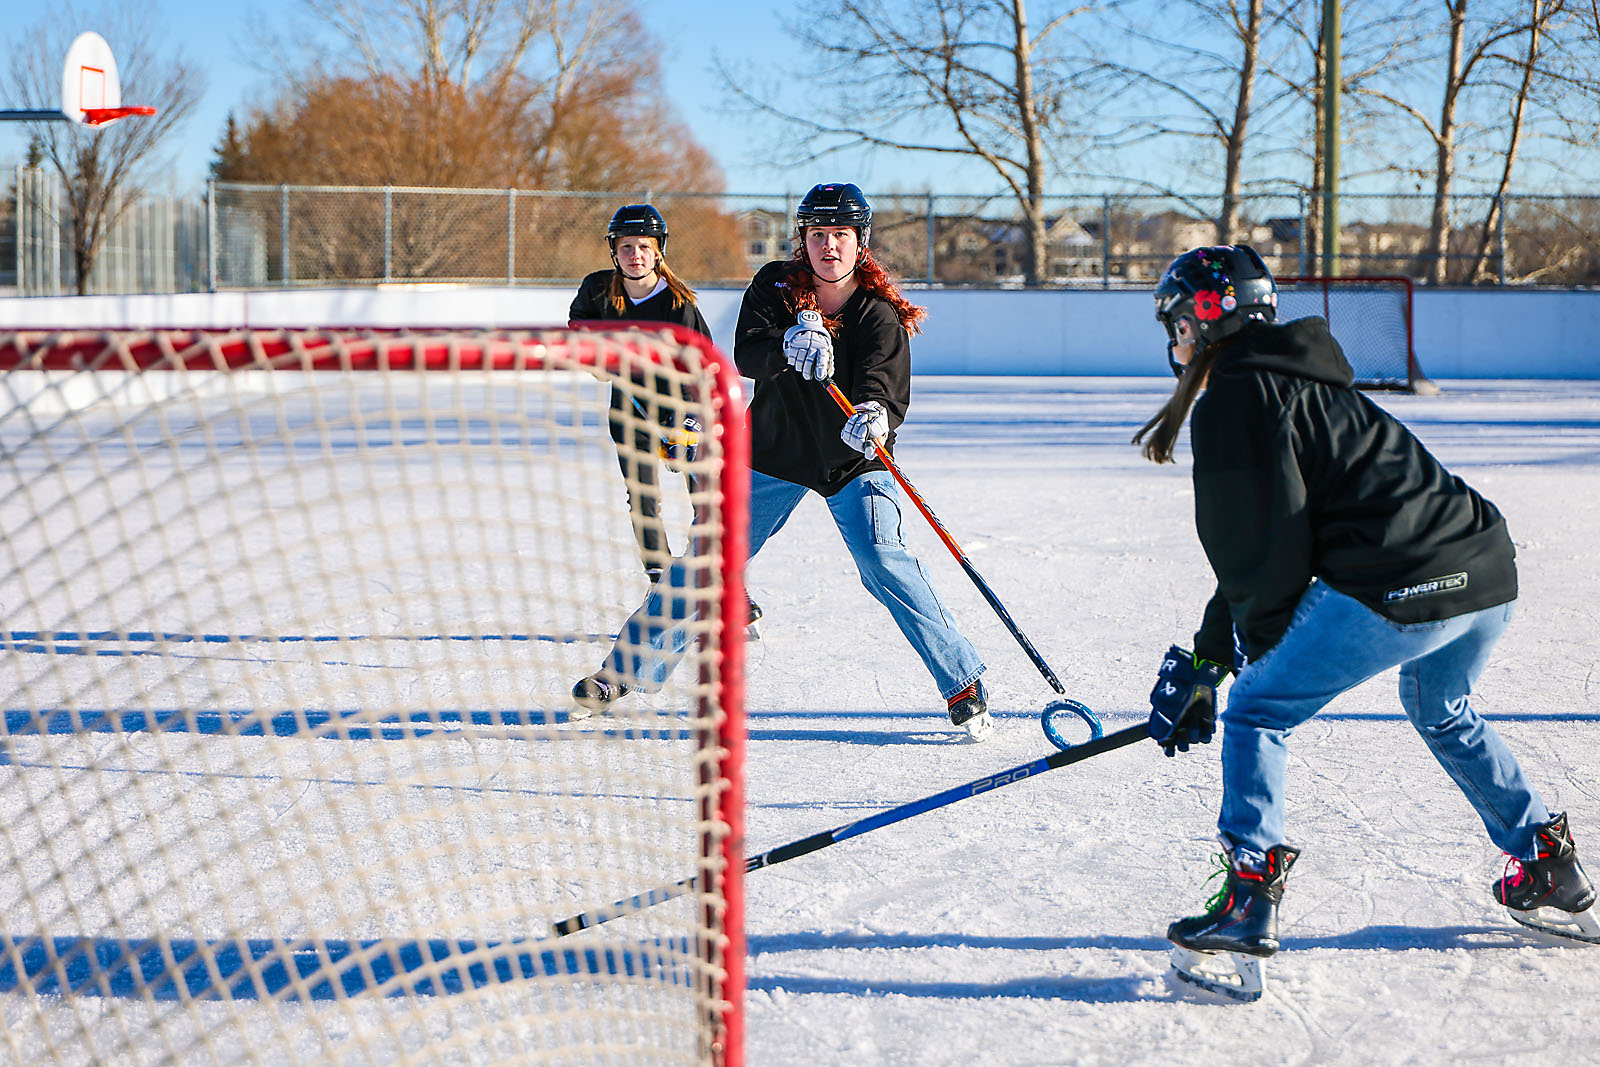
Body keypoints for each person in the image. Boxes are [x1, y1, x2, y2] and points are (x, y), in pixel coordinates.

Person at [1137, 244, 1596, 997]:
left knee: (1260, 711)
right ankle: (1545, 860)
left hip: (1406, 580)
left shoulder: (1237, 398)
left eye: (1179, 320)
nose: (1175, 337)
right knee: (1440, 706)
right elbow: (1261, 551)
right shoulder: (1294, 379)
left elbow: (1263, 561)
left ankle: (1249, 900)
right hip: (1486, 567)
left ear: (1210, 317)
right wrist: (1209, 659)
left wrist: (1232, 675)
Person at [572, 182, 992, 739]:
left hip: (851, 460)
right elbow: (748, 351)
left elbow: (886, 385)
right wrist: (788, 344)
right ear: (803, 240)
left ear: (860, 241)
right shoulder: (777, 285)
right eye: (818, 234)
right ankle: (622, 673)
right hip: (771, 452)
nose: (830, 246)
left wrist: (875, 413)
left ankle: (961, 680)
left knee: (883, 561)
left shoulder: (877, 313)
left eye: (841, 234)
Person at [571, 204, 762, 627]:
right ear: (613, 252)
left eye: (644, 246)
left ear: (658, 252)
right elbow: (580, 327)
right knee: (642, 497)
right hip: (629, 409)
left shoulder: (678, 304)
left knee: (705, 498)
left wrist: (692, 422)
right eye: (626, 247)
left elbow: (707, 370)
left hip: (680, 409)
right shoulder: (598, 290)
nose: (635, 255)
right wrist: (595, 356)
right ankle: (660, 584)